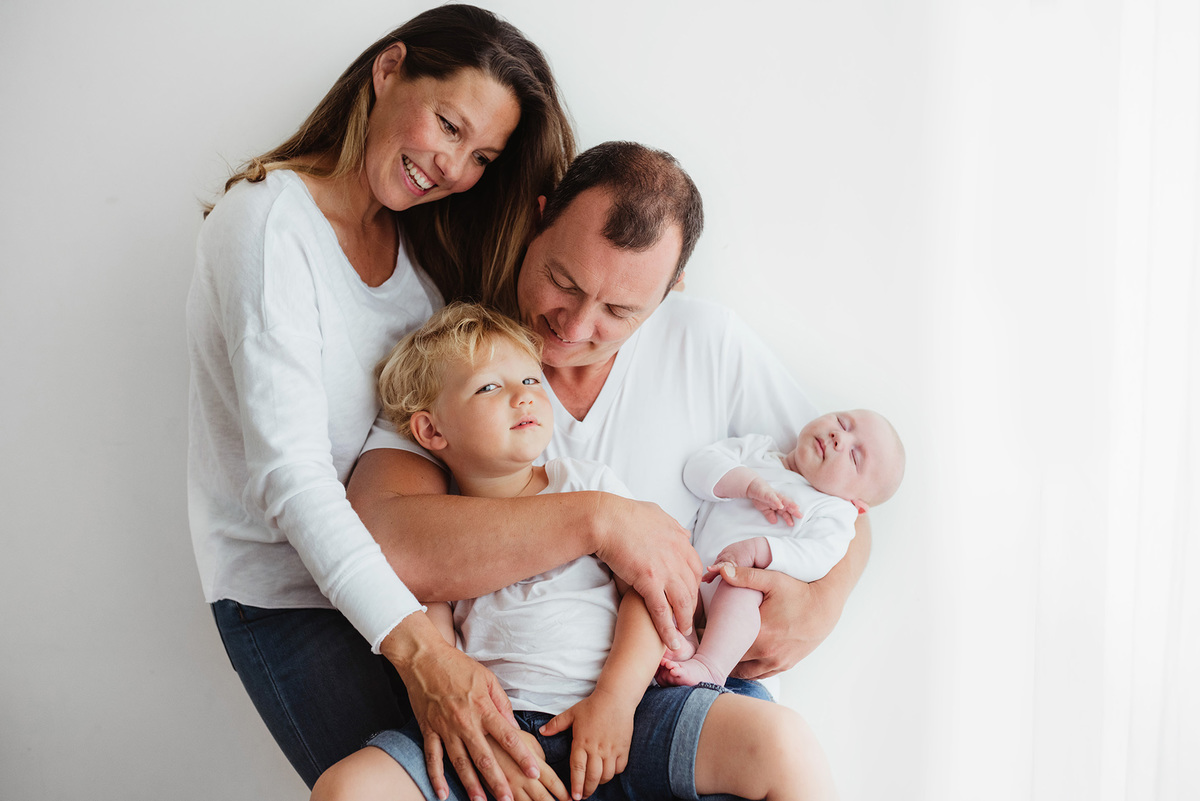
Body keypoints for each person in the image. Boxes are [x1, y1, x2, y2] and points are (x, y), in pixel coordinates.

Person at [187, 8, 697, 798]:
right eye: (449, 123)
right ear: (387, 69)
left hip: (430, 601)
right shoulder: (267, 223)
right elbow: (289, 477)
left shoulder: (419, 261)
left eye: (481, 154)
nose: (450, 166)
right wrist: (422, 654)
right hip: (297, 600)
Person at [348, 141, 874, 707]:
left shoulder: (709, 341)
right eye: (563, 281)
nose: (574, 326)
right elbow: (377, 544)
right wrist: (601, 520)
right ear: (540, 219)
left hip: (683, 686)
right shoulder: (462, 354)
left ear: (668, 293)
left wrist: (824, 604)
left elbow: (848, 501)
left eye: (619, 312)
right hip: (523, 698)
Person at [311, 301, 838, 801]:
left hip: (632, 709)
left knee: (784, 745)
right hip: (501, 731)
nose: (522, 396)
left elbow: (652, 599)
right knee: (346, 790)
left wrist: (615, 701)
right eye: (489, 387)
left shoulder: (588, 486)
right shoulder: (442, 530)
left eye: (530, 379)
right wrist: (482, 733)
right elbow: (435, 629)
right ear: (430, 429)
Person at [657, 412, 905, 688]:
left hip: (742, 593)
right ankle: (686, 641)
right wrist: (748, 485)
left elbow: (817, 557)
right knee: (673, 568)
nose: (839, 438)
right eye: (842, 423)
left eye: (855, 457)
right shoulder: (760, 450)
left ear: (857, 505)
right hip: (697, 568)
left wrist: (759, 550)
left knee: (739, 591)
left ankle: (710, 665)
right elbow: (697, 468)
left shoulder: (833, 511)